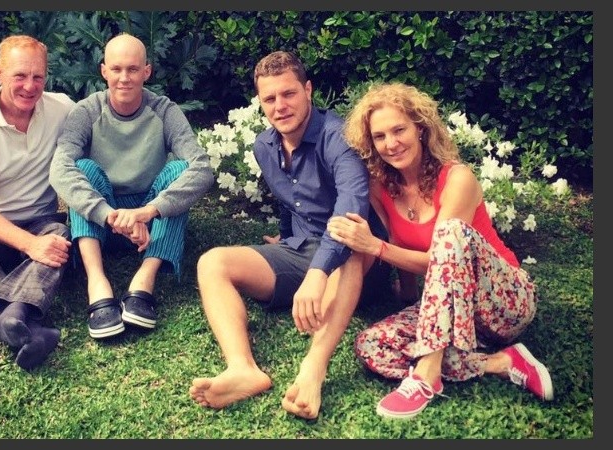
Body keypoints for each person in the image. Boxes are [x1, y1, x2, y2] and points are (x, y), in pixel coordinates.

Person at [327, 82, 553, 419]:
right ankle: (501, 363)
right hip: (454, 315)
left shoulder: (457, 178)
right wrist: (407, 297)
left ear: (420, 128)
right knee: (371, 345)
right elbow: (401, 246)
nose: (391, 143)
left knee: (449, 233)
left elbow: (441, 258)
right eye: (380, 136)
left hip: (504, 302)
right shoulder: (381, 188)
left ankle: (427, 375)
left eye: (399, 130)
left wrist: (374, 246)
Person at [188, 51, 388, 420]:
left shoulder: (338, 138)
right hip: (302, 251)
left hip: (357, 263)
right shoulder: (264, 146)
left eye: (289, 94)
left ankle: (313, 370)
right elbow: (288, 199)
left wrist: (318, 273)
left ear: (308, 90)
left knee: (351, 246)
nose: (280, 106)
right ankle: (242, 369)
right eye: (269, 98)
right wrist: (284, 240)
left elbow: (351, 211)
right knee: (212, 262)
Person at [49, 33, 214, 340]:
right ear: (104, 71)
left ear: (146, 71)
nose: (124, 78)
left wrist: (147, 212)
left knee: (179, 170)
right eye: (116, 69)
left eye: (133, 69)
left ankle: (145, 279)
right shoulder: (87, 111)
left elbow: (202, 167)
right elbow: (60, 168)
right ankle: (97, 281)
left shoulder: (164, 110)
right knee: (82, 169)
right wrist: (109, 215)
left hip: (148, 227)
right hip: (102, 221)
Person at [0, 35, 74, 371]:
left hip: (40, 219)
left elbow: (101, 122)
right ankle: (27, 324)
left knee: (60, 237)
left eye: (38, 76)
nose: (29, 86)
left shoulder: (62, 109)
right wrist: (31, 246)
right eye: (20, 75)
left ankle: (10, 318)